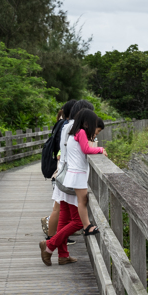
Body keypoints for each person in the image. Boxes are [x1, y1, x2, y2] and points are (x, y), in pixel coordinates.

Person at [39, 110, 104, 265]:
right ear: (87, 122)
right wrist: (100, 149)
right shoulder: (80, 132)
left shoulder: (70, 131)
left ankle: (62, 255)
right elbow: (86, 150)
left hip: (67, 176)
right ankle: (49, 245)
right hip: (76, 177)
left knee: (65, 218)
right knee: (78, 221)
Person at [43, 100, 94, 239]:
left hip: (63, 172)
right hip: (71, 175)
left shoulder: (66, 126)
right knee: (74, 219)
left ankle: (59, 250)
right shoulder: (76, 129)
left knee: (60, 211)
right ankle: (51, 243)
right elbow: (84, 148)